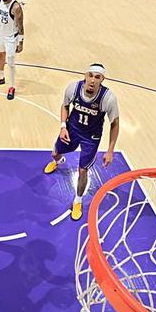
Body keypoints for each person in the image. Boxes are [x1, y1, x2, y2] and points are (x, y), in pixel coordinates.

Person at [43, 64, 120, 221]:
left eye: (97, 77)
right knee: (55, 153)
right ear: (85, 75)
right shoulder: (73, 88)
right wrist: (63, 127)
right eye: (90, 75)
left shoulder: (108, 98)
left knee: (83, 171)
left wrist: (110, 150)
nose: (92, 80)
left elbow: (115, 124)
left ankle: (78, 200)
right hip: (72, 130)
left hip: (91, 137)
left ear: (102, 79)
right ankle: (58, 161)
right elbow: (65, 106)